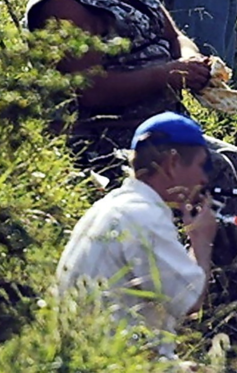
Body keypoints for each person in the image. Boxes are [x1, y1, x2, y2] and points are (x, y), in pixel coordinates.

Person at [26, 0, 237, 305]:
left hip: (161, 127)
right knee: (216, 172)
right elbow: (89, 90)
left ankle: (223, 286)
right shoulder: (62, 3)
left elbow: (173, 35)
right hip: (106, 137)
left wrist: (192, 61)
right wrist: (166, 75)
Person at [56, 112, 218, 361]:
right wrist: (201, 240)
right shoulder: (145, 217)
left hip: (85, 356)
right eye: (200, 165)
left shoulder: (109, 206)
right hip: (115, 362)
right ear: (172, 163)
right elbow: (190, 302)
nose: (203, 178)